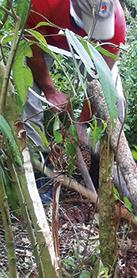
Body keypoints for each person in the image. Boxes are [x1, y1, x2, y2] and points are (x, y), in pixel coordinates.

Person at [24, 0, 126, 202]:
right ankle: (40, 169)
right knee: (25, 93)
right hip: (46, 40)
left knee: (116, 100)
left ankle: (102, 167)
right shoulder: (43, 3)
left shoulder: (116, 23)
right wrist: (50, 90)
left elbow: (100, 81)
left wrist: (81, 122)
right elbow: (32, 51)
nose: (92, 34)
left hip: (89, 53)